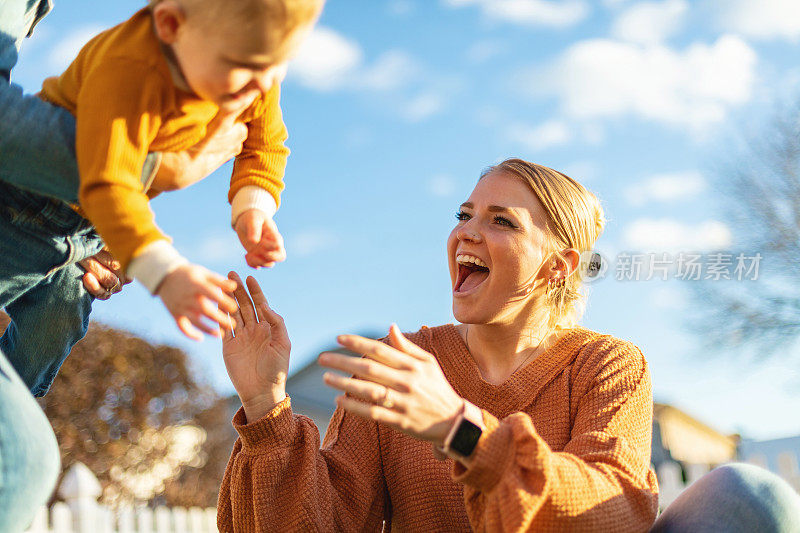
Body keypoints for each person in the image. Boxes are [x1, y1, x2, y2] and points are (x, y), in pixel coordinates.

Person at [217, 158, 800, 532]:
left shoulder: (605, 364)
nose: (467, 231)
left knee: (746, 496)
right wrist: (266, 405)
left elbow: (617, 513)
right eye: (464, 213)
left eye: (502, 220)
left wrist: (460, 431)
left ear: (558, 267)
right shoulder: (403, 364)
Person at [0, 0, 325, 397]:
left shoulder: (253, 66)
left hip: (90, 228)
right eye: (249, 66)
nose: (262, 84)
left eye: (279, 64)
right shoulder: (131, 66)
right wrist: (165, 272)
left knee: (56, 324)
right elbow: (108, 182)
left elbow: (265, 144)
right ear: (171, 25)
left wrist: (252, 207)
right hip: (26, 204)